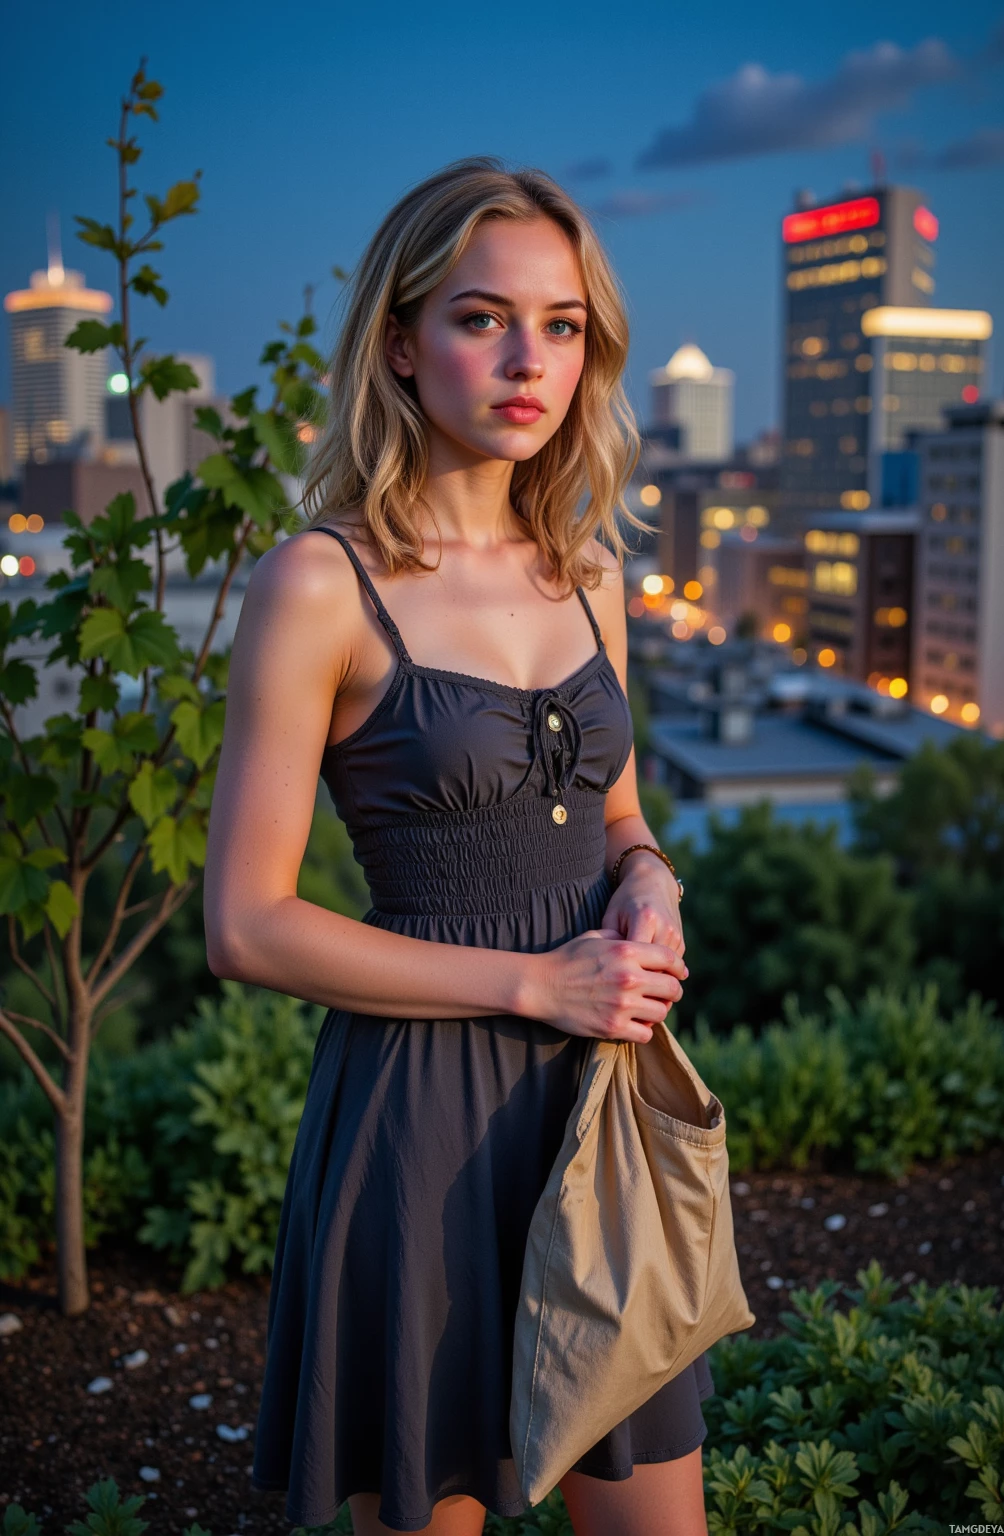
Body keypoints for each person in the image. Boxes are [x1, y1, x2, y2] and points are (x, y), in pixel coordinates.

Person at [204, 157, 710, 1536]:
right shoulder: (319, 581)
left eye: (561, 326)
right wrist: (532, 985)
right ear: (400, 341)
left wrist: (652, 879)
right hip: (418, 1121)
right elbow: (245, 924)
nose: (527, 359)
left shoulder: (591, 565)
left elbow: (616, 814)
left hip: (597, 1117)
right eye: (484, 317)